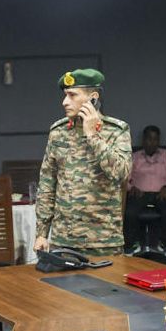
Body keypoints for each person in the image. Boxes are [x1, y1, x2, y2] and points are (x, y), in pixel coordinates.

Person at [34, 68, 131, 257]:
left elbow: (121, 173)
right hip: (63, 240)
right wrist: (41, 233)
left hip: (104, 241)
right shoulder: (58, 132)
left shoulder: (116, 130)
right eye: (64, 95)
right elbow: (47, 184)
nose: (65, 102)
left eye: (72, 95)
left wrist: (92, 135)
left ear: (92, 98)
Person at [124, 125, 166, 254]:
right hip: (139, 193)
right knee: (129, 213)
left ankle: (165, 244)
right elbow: (125, 177)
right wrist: (131, 188)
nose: (152, 142)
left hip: (161, 194)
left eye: (155, 139)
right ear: (143, 140)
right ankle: (132, 244)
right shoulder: (134, 157)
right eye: (149, 138)